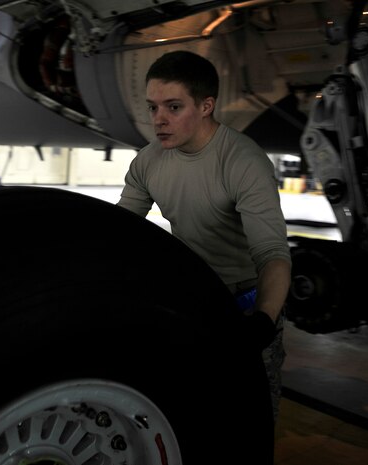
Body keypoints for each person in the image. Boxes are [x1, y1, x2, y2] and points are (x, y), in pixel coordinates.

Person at [117, 50, 291, 420]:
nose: (158, 120)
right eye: (152, 108)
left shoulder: (242, 161)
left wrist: (262, 323)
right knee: (191, 411)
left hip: (247, 304)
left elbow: (273, 253)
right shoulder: (148, 161)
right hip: (192, 296)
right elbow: (118, 233)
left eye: (173, 107)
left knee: (250, 418)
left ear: (206, 105)